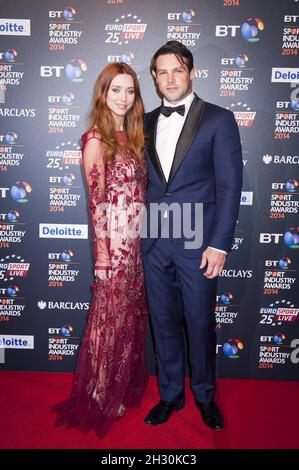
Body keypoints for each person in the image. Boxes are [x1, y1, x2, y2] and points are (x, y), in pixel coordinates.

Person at [142, 41, 243, 430]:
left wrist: (219, 244)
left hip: (199, 244)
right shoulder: (146, 122)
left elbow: (229, 186)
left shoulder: (219, 119)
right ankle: (170, 395)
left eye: (177, 70)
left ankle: (204, 395)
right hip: (152, 241)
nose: (170, 78)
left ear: (191, 73)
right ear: (154, 77)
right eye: (162, 71)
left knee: (200, 323)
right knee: (163, 322)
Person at [52, 62, 148, 438]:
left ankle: (116, 386)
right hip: (115, 245)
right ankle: (97, 391)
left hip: (136, 243)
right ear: (103, 94)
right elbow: (96, 203)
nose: (123, 99)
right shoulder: (95, 139)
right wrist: (104, 255)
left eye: (129, 91)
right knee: (106, 318)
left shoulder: (134, 138)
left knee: (125, 318)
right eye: (116, 91)